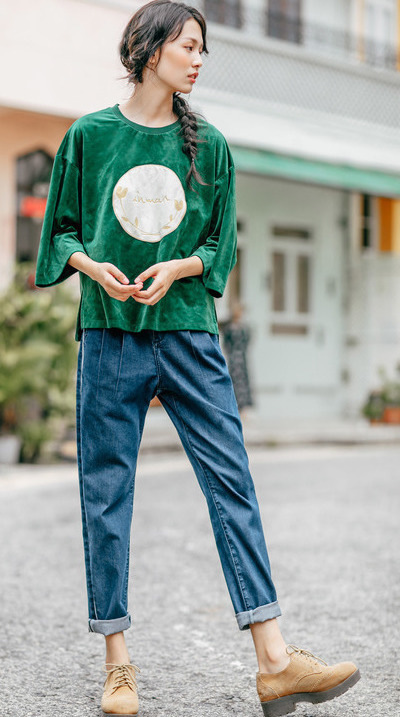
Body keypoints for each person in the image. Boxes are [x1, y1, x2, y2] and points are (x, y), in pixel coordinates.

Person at [35, 2, 361, 715]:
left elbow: (220, 247)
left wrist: (179, 267)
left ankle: (275, 661)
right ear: (151, 50)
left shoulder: (209, 146)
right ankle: (118, 663)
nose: (199, 60)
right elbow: (59, 232)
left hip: (189, 333)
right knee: (105, 491)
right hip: (110, 333)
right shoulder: (89, 136)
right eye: (189, 47)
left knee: (231, 481)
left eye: (202, 49)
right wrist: (93, 269)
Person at [221, 302, 254, 417]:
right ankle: (234, 406)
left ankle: (244, 407)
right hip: (233, 358)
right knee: (234, 381)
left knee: (244, 381)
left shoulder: (245, 327)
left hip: (242, 357)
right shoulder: (229, 328)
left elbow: (248, 341)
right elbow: (226, 343)